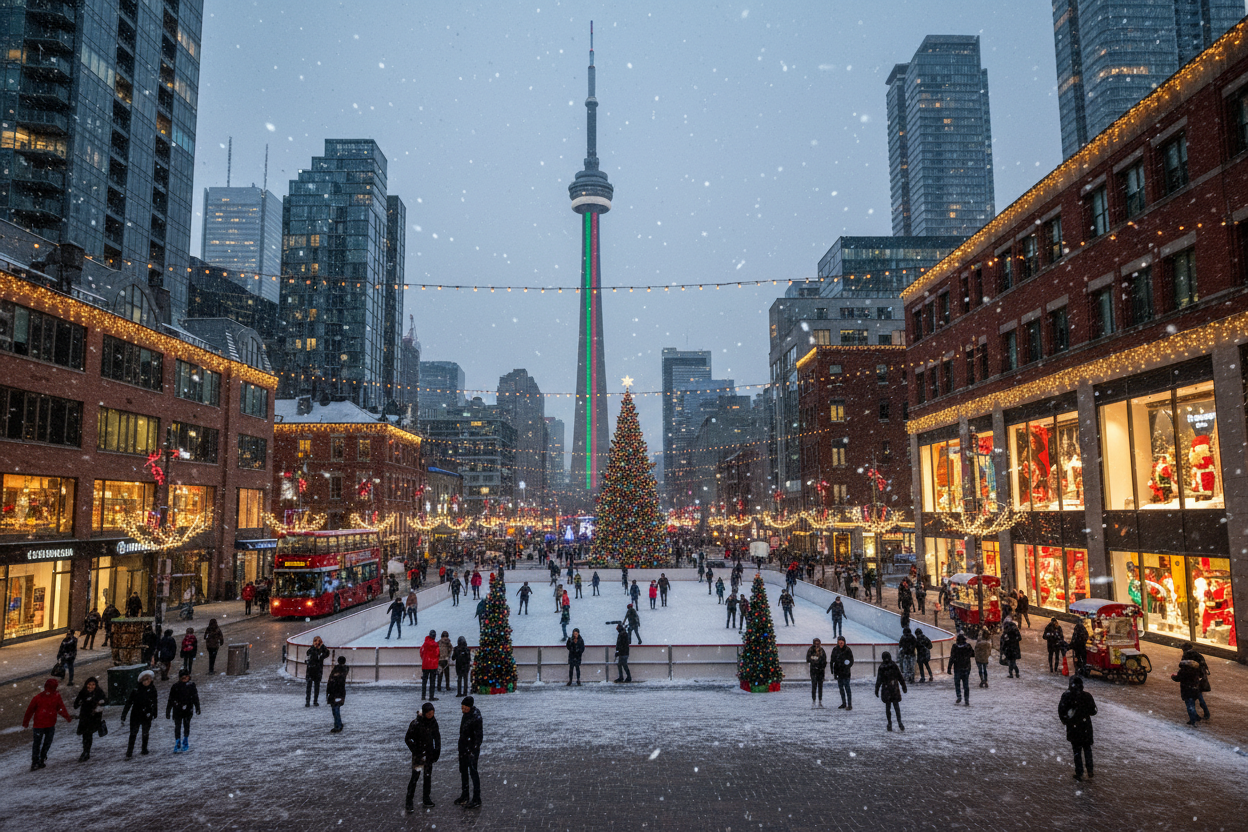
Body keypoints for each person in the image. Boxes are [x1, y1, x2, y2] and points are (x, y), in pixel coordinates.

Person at [23, 678, 73, 770]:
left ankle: (35, 762)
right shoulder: (56, 696)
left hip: (39, 724)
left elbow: (29, 711)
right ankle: (41, 759)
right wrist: (67, 717)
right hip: (50, 723)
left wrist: (26, 722)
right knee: (47, 742)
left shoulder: (37, 698)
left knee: (37, 744)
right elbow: (61, 708)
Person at [1058, 676, 1098, 780]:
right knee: (1087, 749)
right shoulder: (1087, 696)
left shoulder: (1067, 696)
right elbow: (1093, 711)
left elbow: (1062, 711)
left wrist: (1066, 720)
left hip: (1074, 727)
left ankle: (1079, 772)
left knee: (1077, 751)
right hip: (1086, 727)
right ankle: (1090, 770)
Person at [405, 701, 442, 811]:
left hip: (429, 755)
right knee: (415, 778)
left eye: (432, 713)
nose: (431, 715)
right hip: (419, 756)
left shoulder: (434, 723)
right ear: (424, 713)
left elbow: (437, 738)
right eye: (429, 714)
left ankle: (426, 798)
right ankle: (409, 800)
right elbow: (407, 738)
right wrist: (415, 750)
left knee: (427, 777)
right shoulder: (416, 723)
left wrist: (437, 751)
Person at [121, 669, 158, 758]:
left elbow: (154, 702)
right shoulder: (136, 690)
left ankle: (144, 748)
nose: (147, 681)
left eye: (148, 679)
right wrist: (124, 714)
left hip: (147, 714)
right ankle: (129, 751)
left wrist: (154, 712)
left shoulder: (152, 689)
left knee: (145, 732)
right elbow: (129, 702)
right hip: (136, 714)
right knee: (133, 733)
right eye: (145, 680)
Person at [455, 696, 483, 808]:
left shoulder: (475, 717)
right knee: (463, 771)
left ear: (470, 707)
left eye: (465, 707)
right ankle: (465, 795)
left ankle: (477, 798)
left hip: (471, 749)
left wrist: (474, 749)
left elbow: (478, 736)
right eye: (462, 707)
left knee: (473, 772)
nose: (463, 709)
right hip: (463, 748)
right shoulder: (466, 715)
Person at [166, 668, 201, 753]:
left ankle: (185, 739)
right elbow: (171, 699)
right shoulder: (175, 687)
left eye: (186, 677)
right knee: (177, 726)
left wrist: (197, 707)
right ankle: (177, 741)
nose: (184, 679)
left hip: (188, 709)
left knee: (186, 725)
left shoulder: (192, 686)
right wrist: (168, 711)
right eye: (183, 677)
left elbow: (195, 697)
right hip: (177, 709)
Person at [72, 676, 107, 761]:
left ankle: (86, 752)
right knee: (85, 735)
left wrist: (100, 703)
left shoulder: (98, 692)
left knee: (88, 734)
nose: (91, 686)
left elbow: (105, 701)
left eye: (93, 684)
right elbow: (75, 705)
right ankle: (85, 751)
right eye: (89, 684)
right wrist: (81, 702)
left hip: (94, 717)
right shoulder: (83, 692)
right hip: (85, 717)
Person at [874, 651, 907, 731]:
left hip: (886, 689)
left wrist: (877, 689)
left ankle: (889, 723)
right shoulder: (893, 665)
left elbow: (879, 679)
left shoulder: (882, 667)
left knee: (888, 707)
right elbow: (899, 676)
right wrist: (903, 686)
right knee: (896, 707)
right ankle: (899, 723)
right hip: (894, 688)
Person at [1180, 642, 1212, 721]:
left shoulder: (1186, 656)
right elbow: (1204, 667)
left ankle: (1195, 716)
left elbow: (1184, 667)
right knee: (1199, 697)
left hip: (1192, 680)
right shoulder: (1198, 655)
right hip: (1199, 679)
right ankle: (1206, 713)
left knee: (1192, 699)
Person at [1172, 656, 1206, 726]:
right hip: (1195, 689)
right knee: (1192, 704)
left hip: (1187, 690)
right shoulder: (1195, 670)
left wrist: (1172, 676)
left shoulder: (1183, 671)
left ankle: (1192, 720)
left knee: (1189, 706)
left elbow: (1178, 678)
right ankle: (1196, 717)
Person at [948, 633, 975, 705]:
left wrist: (949, 668)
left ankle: (959, 696)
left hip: (957, 668)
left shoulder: (955, 647)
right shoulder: (968, 646)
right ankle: (966, 699)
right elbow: (973, 654)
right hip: (966, 668)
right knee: (966, 684)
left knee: (957, 683)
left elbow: (952, 657)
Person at [304, 636, 329, 706]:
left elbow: (327, 653)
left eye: (318, 641)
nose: (316, 643)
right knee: (309, 686)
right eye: (315, 641)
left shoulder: (322, 649)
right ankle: (308, 701)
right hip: (312, 669)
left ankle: (314, 701)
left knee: (316, 686)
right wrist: (315, 647)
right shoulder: (312, 649)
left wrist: (322, 646)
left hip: (317, 669)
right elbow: (308, 653)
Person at [830, 636, 854, 709]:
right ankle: (844, 703)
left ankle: (849, 704)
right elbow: (832, 661)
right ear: (837, 642)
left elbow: (851, 660)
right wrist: (833, 671)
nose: (840, 642)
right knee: (841, 689)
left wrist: (847, 666)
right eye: (839, 641)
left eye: (842, 641)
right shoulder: (835, 650)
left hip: (846, 672)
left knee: (847, 688)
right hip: (838, 672)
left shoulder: (847, 650)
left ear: (844, 642)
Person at [326, 656, 348, 733]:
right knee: (335, 708)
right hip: (339, 692)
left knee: (335, 708)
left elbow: (332, 680)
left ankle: (338, 725)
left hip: (335, 692)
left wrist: (329, 689)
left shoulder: (338, 670)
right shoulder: (344, 669)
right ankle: (338, 724)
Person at [806, 638, 828, 708]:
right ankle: (814, 701)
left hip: (820, 671)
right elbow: (808, 659)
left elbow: (824, 660)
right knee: (814, 686)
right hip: (813, 670)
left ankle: (820, 701)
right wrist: (815, 660)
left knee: (820, 686)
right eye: (815, 643)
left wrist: (822, 665)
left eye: (818, 643)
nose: (817, 644)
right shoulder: (811, 650)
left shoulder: (822, 650)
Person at [420, 630, 441, 701]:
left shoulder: (425, 643)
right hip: (433, 665)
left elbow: (421, 652)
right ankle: (431, 697)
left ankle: (423, 696)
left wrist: (425, 659)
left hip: (425, 665)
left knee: (424, 681)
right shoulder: (435, 645)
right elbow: (437, 654)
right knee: (432, 681)